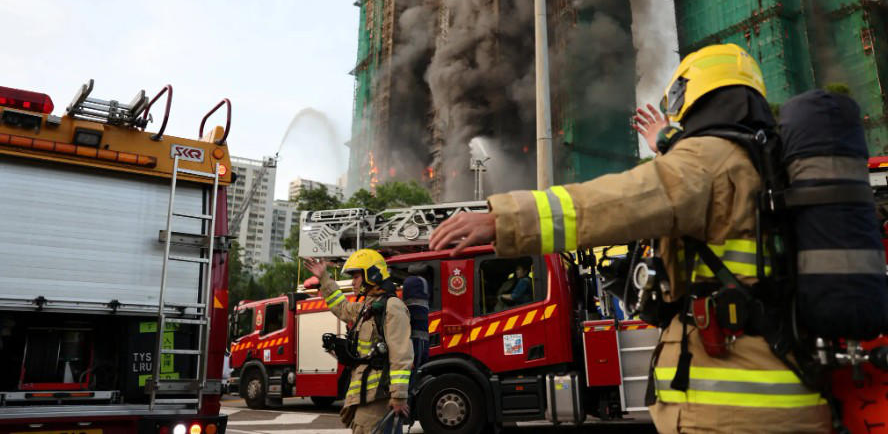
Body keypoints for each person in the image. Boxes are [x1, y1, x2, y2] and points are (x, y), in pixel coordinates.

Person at [429, 43, 831, 433]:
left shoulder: (709, 159)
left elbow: (614, 203)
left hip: (730, 408)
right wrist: (668, 146)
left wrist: (504, 220)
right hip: (792, 388)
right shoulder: (773, 163)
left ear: (692, 95)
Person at [304, 250, 413, 434]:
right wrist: (324, 277)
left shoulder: (392, 306)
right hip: (364, 395)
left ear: (372, 275)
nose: (353, 282)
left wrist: (399, 395)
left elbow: (401, 354)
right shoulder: (366, 307)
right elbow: (341, 306)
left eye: (356, 276)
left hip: (379, 397)